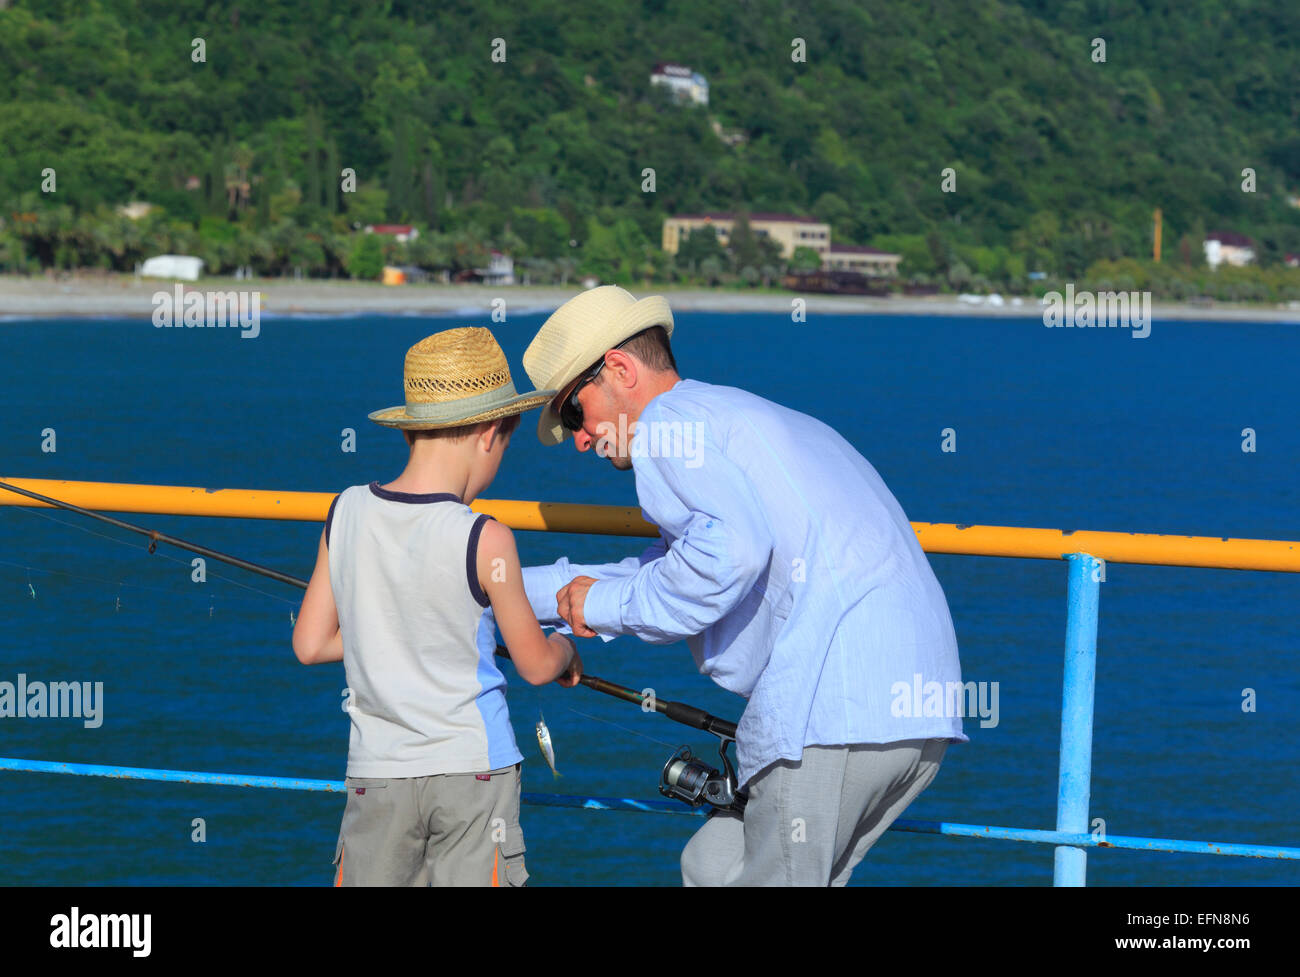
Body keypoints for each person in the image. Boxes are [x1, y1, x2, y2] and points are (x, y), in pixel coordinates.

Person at [518, 286, 966, 886]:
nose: (578, 437)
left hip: (832, 709)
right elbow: (674, 564)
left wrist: (602, 605)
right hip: (909, 714)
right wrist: (504, 594)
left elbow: (729, 555)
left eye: (574, 412)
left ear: (619, 370)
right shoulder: (735, 415)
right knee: (712, 866)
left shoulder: (664, 427)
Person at [292, 326, 582, 887]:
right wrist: (567, 649)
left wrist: (393, 633)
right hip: (472, 770)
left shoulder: (346, 511)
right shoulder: (486, 537)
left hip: (377, 775)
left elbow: (309, 645)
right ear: (493, 432)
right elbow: (535, 665)